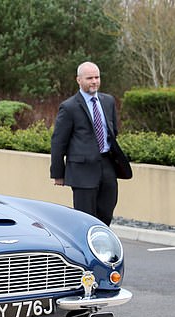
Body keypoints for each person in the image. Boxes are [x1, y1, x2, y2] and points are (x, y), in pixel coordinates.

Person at [50, 61, 123, 226]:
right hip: (82, 170)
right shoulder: (69, 107)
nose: (94, 81)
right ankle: (86, 249)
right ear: (79, 80)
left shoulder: (108, 101)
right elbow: (58, 142)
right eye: (89, 78)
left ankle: (102, 245)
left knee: (106, 211)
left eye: (97, 77)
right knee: (85, 218)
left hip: (107, 165)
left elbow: (113, 131)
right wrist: (58, 173)